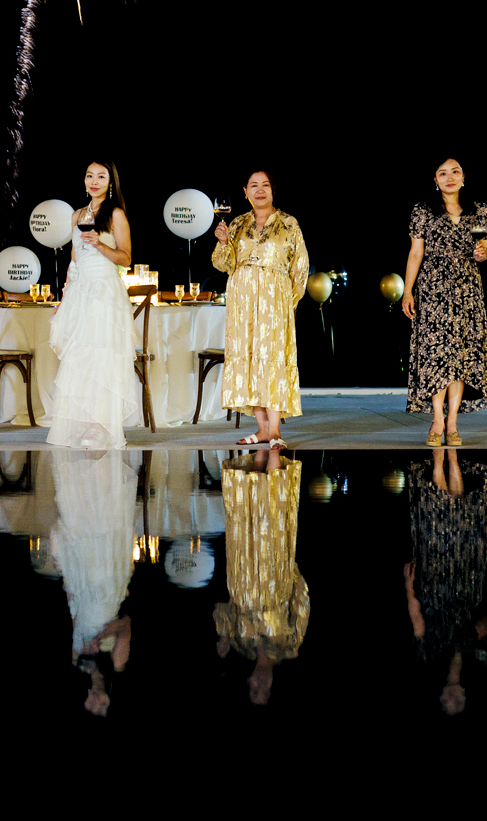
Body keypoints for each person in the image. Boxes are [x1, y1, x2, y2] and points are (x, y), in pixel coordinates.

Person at [43, 159, 142, 450]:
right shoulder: (77, 215)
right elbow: (74, 259)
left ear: (110, 183)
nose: (94, 181)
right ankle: (82, 422)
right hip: (80, 291)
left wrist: (100, 244)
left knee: (102, 358)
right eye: (90, 176)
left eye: (101, 176)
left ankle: (101, 426)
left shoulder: (116, 214)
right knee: (80, 358)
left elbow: (126, 258)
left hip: (105, 290)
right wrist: (65, 297)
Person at [211, 169, 310, 449]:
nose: (260, 190)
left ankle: (275, 430)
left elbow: (300, 266)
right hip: (242, 301)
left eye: (265, 185)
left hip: (275, 301)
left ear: (273, 190)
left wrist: (287, 303)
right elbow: (223, 264)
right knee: (250, 358)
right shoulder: (238, 223)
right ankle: (262, 429)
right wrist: (222, 242)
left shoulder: (289, 223)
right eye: (253, 185)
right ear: (245, 192)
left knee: (272, 359)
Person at [400, 158, 487, 445]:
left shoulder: (478, 210)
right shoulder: (423, 210)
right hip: (433, 288)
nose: (449, 177)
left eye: (455, 172)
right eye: (443, 173)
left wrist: (482, 254)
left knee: (460, 354)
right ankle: (437, 420)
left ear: (464, 177)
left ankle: (452, 422)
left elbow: (484, 248)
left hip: (467, 287)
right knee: (436, 354)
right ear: (435, 180)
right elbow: (416, 252)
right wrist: (408, 290)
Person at [213, 445, 309, 704]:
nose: (260, 686)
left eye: (254, 690)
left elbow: (225, 609)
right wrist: (289, 567)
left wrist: (224, 637)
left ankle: (262, 446)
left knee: (247, 514)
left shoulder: (241, 645)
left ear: (249, 682)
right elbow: (301, 604)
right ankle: (273, 446)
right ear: (272, 686)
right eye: (264, 691)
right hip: (274, 572)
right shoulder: (289, 646)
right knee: (271, 514)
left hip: (243, 571)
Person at [50, 446, 141, 715]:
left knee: (80, 516)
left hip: (82, 585)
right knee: (103, 518)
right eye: (101, 706)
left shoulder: (77, 662)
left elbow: (74, 618)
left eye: (91, 705)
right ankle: (104, 451)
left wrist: (67, 576)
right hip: (106, 586)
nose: (96, 701)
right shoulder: (116, 664)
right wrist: (103, 635)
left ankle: (85, 448)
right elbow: (126, 625)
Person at [404, 448, 487, 717]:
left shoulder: (428, 662)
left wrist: (408, 587)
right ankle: (450, 457)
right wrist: (482, 629)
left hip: (437, 584)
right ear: (465, 696)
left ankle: (439, 459)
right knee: (462, 514)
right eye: (458, 702)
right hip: (467, 581)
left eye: (448, 702)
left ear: (441, 696)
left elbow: (418, 624)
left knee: (438, 517)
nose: (453, 698)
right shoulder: (478, 663)